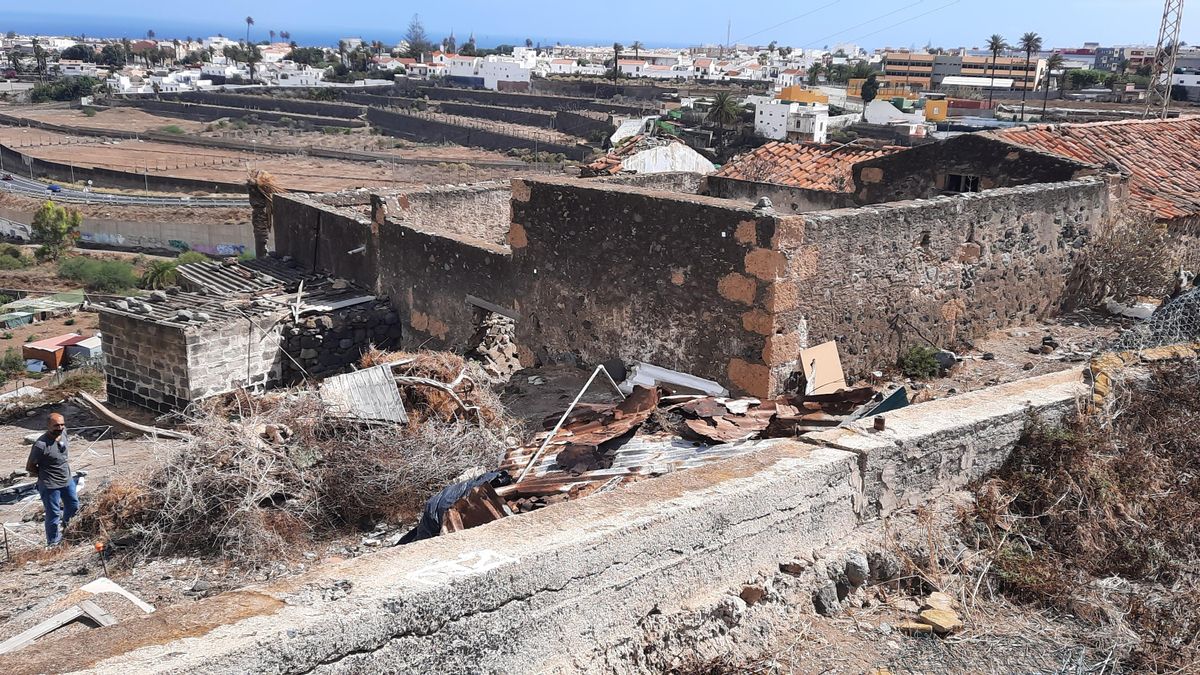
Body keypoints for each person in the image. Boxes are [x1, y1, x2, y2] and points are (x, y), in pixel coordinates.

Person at [26, 413, 77, 546]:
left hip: (67, 480)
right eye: (56, 425)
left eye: (62, 424)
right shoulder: (40, 445)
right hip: (50, 485)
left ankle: (68, 531)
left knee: (73, 507)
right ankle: (53, 542)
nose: (60, 427)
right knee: (53, 514)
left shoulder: (64, 434)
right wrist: (45, 476)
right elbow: (30, 467)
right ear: (48, 426)